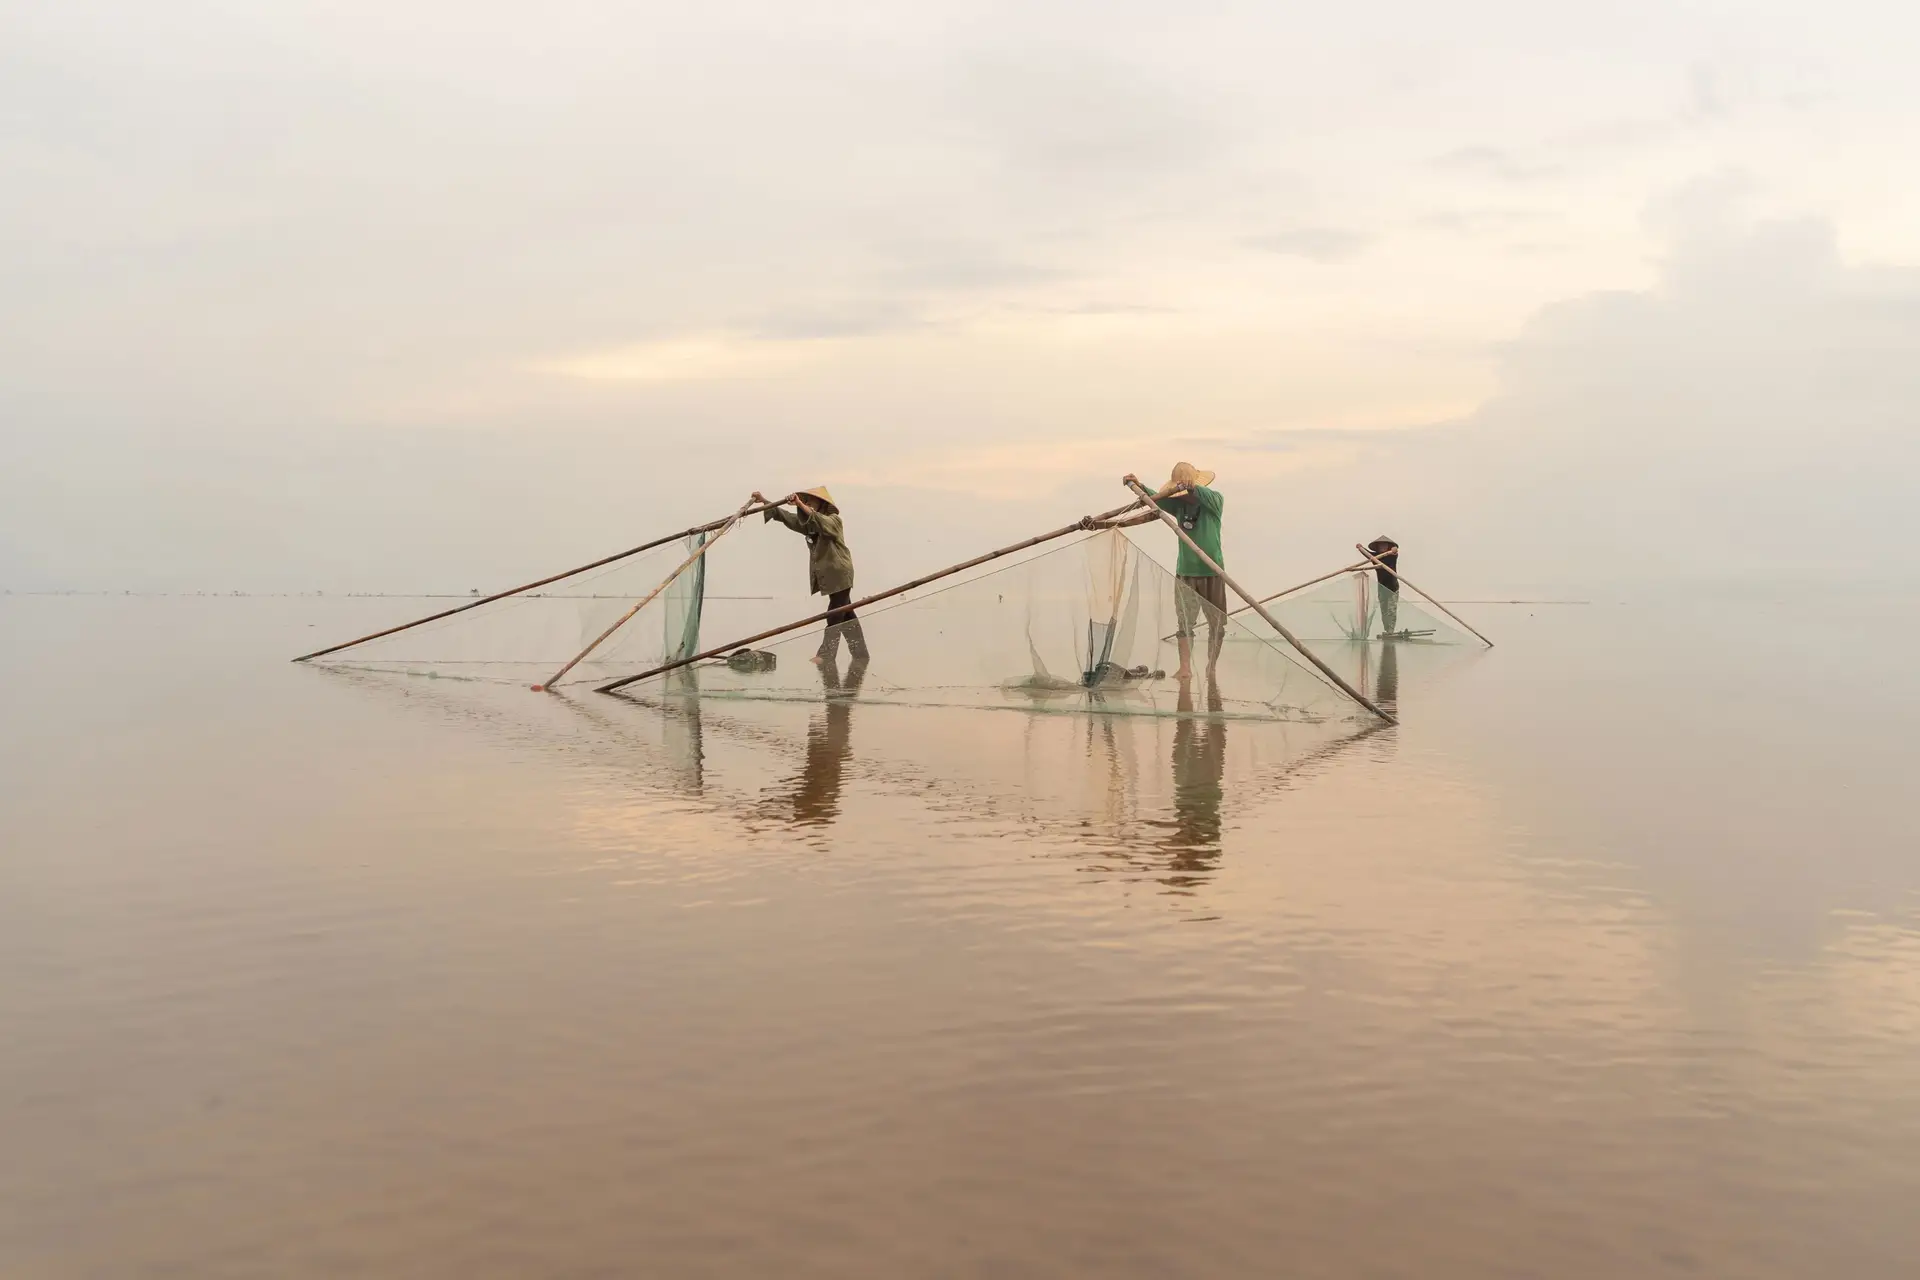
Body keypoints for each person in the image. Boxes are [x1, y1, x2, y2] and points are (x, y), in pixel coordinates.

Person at [1108, 464, 1227, 680]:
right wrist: (1138, 485)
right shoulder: (1178, 506)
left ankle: (1212, 668)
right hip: (1186, 573)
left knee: (1217, 625)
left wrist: (1192, 488)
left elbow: (1208, 495)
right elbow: (1156, 499)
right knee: (1184, 623)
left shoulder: (1214, 501)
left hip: (1213, 572)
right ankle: (1185, 668)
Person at [753, 487, 868, 664]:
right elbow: (787, 517)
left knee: (835, 614)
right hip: (829, 576)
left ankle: (826, 655)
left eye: (810, 501)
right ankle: (861, 654)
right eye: (805, 501)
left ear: (822, 504)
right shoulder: (810, 527)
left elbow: (821, 521)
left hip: (840, 573)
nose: (807, 504)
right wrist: (764, 501)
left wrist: (798, 503)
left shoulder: (834, 520)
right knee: (846, 612)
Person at [1365, 535, 1400, 638]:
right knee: (1384, 610)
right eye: (1381, 546)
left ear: (1388, 546)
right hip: (1382, 588)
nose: (1382, 547)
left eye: (1385, 545)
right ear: (1378, 547)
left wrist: (1394, 549)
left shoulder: (1391, 555)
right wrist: (1360, 547)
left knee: (1391, 610)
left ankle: (1391, 631)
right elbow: (1366, 553)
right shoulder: (1375, 558)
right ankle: (1387, 630)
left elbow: (1395, 551)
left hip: (1393, 588)